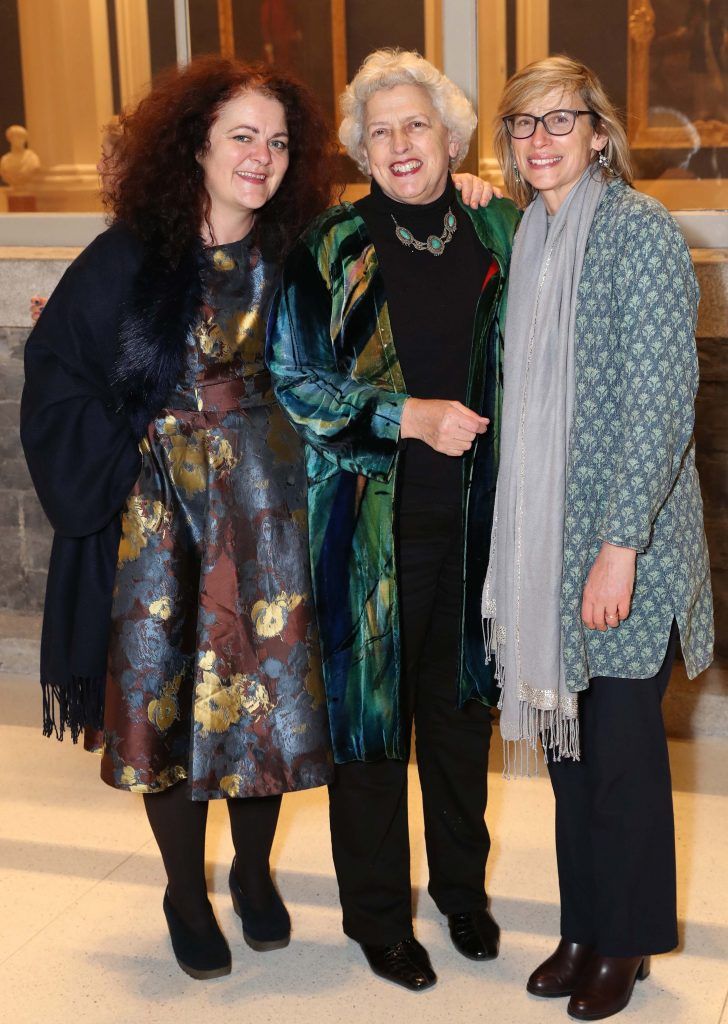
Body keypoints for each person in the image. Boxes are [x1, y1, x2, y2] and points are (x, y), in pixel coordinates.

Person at [20, 56, 339, 981]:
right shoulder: (129, 253)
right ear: (195, 143)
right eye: (242, 135)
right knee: (164, 705)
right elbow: (56, 368)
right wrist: (129, 441)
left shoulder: (300, 248)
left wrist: (465, 182)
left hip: (268, 515)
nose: (262, 156)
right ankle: (183, 890)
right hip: (158, 526)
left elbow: (354, 321)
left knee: (265, 700)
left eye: (278, 141)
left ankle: (249, 871)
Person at [268, 48, 520, 992]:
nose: (401, 143)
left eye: (418, 125)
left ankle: (464, 895)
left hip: (480, 522)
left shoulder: (500, 224)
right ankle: (378, 918)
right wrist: (401, 415)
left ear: (452, 139)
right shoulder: (328, 245)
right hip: (367, 527)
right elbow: (293, 378)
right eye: (381, 130)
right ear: (359, 149)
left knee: (460, 721)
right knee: (371, 730)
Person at [483, 55, 714, 1020]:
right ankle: (582, 924)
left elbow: (662, 403)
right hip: (549, 541)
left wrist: (620, 544)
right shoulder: (534, 230)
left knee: (621, 751)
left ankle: (626, 940)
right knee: (569, 748)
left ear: (600, 130)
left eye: (558, 121)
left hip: (629, 545)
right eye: (523, 125)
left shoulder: (639, 233)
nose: (541, 140)